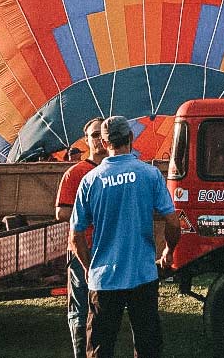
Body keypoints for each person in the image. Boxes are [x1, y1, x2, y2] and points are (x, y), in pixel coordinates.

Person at [72, 116, 181, 358]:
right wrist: (168, 250)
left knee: (100, 349)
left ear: (103, 141)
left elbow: (76, 235)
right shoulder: (150, 174)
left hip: (104, 277)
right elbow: (173, 222)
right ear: (131, 137)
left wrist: (89, 268)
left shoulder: (90, 180)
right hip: (142, 275)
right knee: (147, 347)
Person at [55, 118, 107, 358]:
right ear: (86, 140)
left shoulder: (114, 171)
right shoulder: (75, 173)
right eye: (93, 135)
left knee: (103, 305)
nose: (98, 140)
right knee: (80, 305)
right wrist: (92, 212)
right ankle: (80, 352)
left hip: (107, 247)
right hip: (81, 248)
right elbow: (61, 212)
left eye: (101, 135)